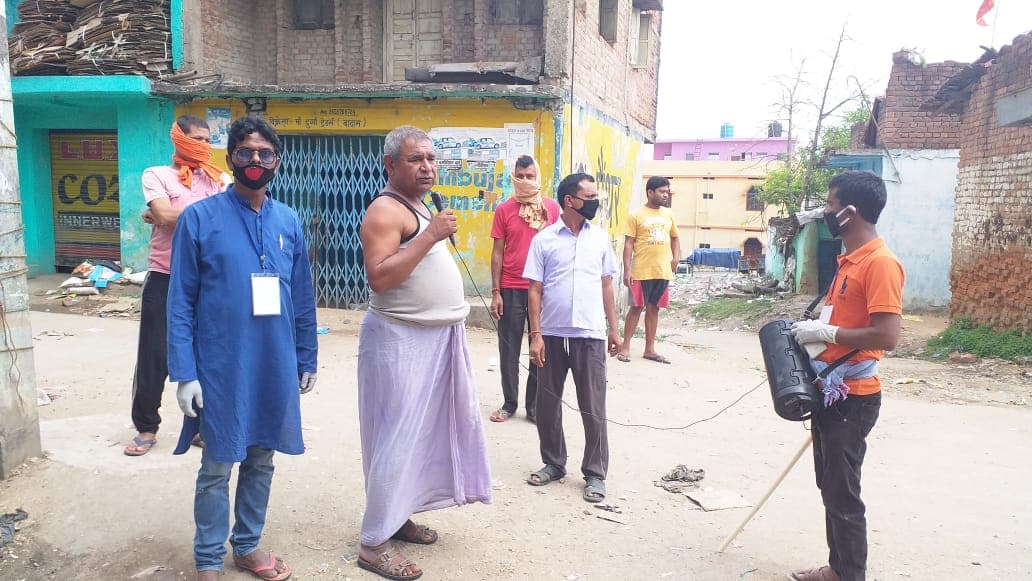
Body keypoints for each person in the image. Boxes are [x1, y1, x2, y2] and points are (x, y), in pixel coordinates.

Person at [167, 116, 318, 581]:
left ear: (277, 161)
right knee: (217, 462)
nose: (256, 161)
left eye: (265, 153)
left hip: (273, 361)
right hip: (220, 363)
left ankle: (247, 546)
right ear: (230, 157)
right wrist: (185, 372)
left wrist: (306, 356)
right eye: (246, 152)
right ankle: (208, 559)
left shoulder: (287, 220)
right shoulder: (199, 218)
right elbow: (181, 301)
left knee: (261, 457)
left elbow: (301, 295)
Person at [356, 125, 492, 580]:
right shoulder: (384, 210)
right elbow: (380, 277)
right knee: (396, 437)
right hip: (401, 340)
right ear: (390, 164)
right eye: (416, 159)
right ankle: (373, 544)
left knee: (420, 436)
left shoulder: (417, 205)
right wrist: (430, 235)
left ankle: (398, 517)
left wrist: (429, 231)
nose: (427, 167)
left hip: (434, 339)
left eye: (431, 159)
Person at [789, 171, 905, 581]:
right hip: (832, 390)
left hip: (853, 396)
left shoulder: (880, 264)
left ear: (850, 212)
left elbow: (887, 335)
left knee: (843, 493)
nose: (825, 212)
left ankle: (849, 574)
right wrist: (816, 339)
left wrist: (829, 333)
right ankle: (838, 569)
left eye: (830, 204)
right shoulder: (848, 261)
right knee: (830, 485)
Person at [124, 115, 228, 456]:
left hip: (207, 278)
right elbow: (166, 216)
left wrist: (173, 213)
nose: (203, 145)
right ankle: (146, 426)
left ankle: (200, 426)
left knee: (206, 354)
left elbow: (176, 216)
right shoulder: (157, 175)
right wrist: (178, 214)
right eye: (196, 138)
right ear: (178, 139)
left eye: (207, 139)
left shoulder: (218, 178)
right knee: (155, 353)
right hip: (165, 275)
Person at [523, 173, 621, 504]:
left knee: (593, 406)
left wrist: (614, 330)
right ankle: (553, 463)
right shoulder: (544, 240)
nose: (594, 202)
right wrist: (535, 336)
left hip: (590, 335)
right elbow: (534, 290)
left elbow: (607, 285)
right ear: (570, 200)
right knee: (547, 404)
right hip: (550, 334)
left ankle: (595, 473)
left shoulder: (601, 239)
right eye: (589, 197)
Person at [488, 155, 561, 423]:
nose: (526, 181)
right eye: (521, 176)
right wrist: (496, 292)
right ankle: (509, 403)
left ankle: (533, 406)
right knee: (507, 348)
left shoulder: (552, 209)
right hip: (511, 287)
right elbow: (497, 253)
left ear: (538, 176)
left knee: (539, 347)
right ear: (514, 177)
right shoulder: (504, 210)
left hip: (543, 290)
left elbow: (559, 249)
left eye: (530, 176)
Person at [617, 176, 680, 364]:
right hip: (641, 270)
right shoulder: (636, 215)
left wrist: (676, 257)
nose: (666, 195)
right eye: (662, 191)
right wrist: (627, 270)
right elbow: (628, 244)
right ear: (650, 192)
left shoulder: (669, 214)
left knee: (654, 309)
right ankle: (625, 346)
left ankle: (649, 349)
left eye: (667, 192)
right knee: (636, 307)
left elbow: (675, 238)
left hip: (662, 271)